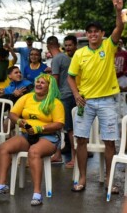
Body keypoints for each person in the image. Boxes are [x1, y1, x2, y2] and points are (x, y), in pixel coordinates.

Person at [67, 0, 124, 194]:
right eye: (89, 32)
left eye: (96, 31)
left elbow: (119, 28)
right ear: (87, 34)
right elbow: (70, 77)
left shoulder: (109, 46)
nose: (92, 34)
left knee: (110, 141)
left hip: (108, 101)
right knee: (81, 140)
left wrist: (118, 11)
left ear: (102, 33)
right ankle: (82, 178)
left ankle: (109, 179)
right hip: (86, 103)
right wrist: (76, 94)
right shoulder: (79, 54)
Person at [0, 73, 64, 206]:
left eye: (42, 83)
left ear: (50, 87)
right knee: (4, 147)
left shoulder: (55, 102)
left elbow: (59, 124)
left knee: (34, 152)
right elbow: (12, 114)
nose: (38, 84)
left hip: (48, 137)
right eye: (37, 82)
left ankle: (37, 194)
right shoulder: (27, 97)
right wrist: (20, 122)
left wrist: (39, 129)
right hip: (27, 136)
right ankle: (2, 185)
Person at [46, 36, 76, 168]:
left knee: (69, 128)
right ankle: (57, 154)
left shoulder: (56, 59)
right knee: (60, 125)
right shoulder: (65, 57)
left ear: (48, 46)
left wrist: (50, 99)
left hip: (63, 96)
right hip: (70, 95)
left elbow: (55, 81)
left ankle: (74, 158)